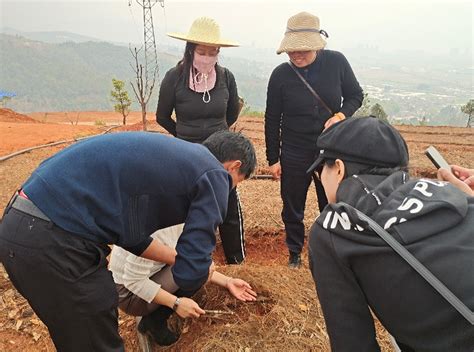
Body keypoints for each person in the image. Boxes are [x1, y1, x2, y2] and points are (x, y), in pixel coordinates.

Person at [0, 130, 256, 352]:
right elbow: (193, 269)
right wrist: (185, 292)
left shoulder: (170, 162)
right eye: (235, 184)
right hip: (54, 240)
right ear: (233, 166)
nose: (228, 190)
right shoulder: (213, 173)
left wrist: (217, 277)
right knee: (96, 341)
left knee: (78, 337)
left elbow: (135, 240)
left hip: (22, 227)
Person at [307, 117, 474, 351]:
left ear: (339, 169)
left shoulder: (334, 229)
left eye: (322, 170)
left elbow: (353, 344)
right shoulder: (453, 193)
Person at [264, 11, 363, 268]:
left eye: (303, 50)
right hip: (294, 150)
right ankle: (295, 253)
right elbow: (272, 118)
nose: (297, 55)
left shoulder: (336, 63)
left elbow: (355, 95)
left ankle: (329, 250)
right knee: (292, 204)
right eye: (292, 51)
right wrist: (273, 158)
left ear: (317, 45)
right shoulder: (280, 76)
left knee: (330, 201)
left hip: (329, 148)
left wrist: (341, 114)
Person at [156, 17, 246, 265]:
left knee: (228, 205)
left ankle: (236, 261)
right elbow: (162, 116)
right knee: (187, 206)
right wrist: (183, 136)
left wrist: (219, 138)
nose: (207, 57)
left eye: (212, 52)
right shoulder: (174, 78)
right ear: (191, 50)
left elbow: (231, 113)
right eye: (202, 52)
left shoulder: (226, 77)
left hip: (220, 154)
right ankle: (187, 259)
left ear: (218, 53)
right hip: (188, 152)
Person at [109, 223, 257, 346]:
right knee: (197, 270)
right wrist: (176, 303)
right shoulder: (164, 227)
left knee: (199, 267)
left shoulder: (182, 216)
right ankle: (154, 321)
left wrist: (227, 281)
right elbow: (132, 281)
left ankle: (156, 314)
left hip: (146, 276)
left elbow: (191, 262)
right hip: (128, 294)